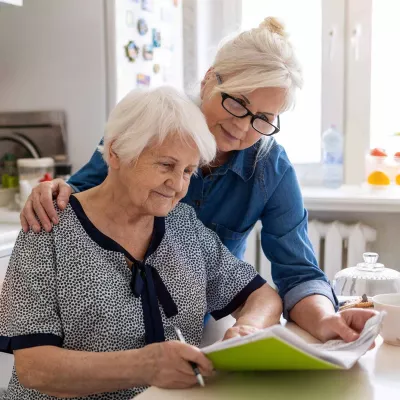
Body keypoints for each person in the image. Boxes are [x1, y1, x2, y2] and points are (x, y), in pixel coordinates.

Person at [20, 17, 376, 343]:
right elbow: (82, 196)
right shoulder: (150, 126)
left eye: (263, 118)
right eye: (237, 102)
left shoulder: (271, 169)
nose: (241, 126)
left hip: (195, 327)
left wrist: (326, 319)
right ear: (210, 79)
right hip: (108, 328)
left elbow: (298, 274)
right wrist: (52, 191)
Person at [0, 86, 282, 399]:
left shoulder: (183, 224)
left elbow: (262, 296)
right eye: (166, 165)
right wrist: (145, 366)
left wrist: (249, 328)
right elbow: (34, 368)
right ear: (117, 151)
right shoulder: (48, 227)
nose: (177, 185)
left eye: (188, 171)